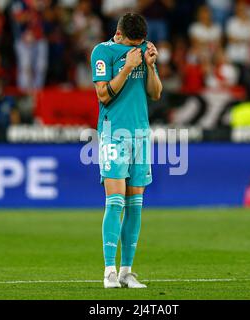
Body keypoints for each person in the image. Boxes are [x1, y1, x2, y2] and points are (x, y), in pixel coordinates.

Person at [91, 13, 162, 289]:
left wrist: (150, 66)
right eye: (134, 43)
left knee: (136, 205)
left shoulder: (144, 50)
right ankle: (109, 271)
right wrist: (127, 67)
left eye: (140, 43)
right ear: (119, 34)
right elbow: (103, 95)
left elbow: (155, 94)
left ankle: (126, 271)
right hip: (114, 133)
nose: (137, 48)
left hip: (141, 133)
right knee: (115, 201)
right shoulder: (102, 51)